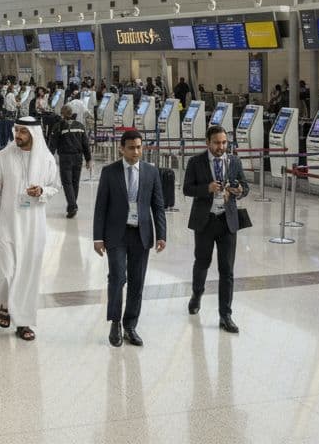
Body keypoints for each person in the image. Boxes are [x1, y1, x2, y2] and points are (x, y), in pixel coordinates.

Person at [0, 117, 59, 341]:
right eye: (17, 131)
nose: (18, 135)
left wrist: (42, 191)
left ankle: (23, 321)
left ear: (33, 134)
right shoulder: (3, 156)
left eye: (23, 132)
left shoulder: (46, 159)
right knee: (6, 271)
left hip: (33, 225)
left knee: (27, 273)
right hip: (7, 222)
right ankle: (5, 305)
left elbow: (55, 186)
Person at [93, 129, 166, 348]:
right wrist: (98, 237)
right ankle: (115, 322)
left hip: (141, 233)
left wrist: (162, 234)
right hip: (116, 233)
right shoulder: (109, 172)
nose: (136, 152)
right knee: (117, 277)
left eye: (139, 147)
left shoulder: (151, 172)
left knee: (137, 281)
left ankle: (130, 325)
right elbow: (100, 207)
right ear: (121, 148)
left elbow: (158, 205)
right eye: (132, 147)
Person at [182, 125, 247, 334]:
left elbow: (245, 186)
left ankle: (225, 315)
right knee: (202, 262)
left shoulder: (234, 161)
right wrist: (206, 189)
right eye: (217, 143)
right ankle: (197, 293)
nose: (221, 147)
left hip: (227, 221)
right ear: (208, 143)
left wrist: (238, 191)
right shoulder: (196, 162)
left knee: (227, 270)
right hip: (205, 220)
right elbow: (187, 188)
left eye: (224, 143)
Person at [53, 109, 92, 218]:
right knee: (75, 182)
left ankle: (72, 205)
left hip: (65, 157)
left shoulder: (59, 126)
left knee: (67, 182)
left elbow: (53, 143)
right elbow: (85, 143)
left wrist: (49, 158)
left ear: (62, 114)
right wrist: (88, 159)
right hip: (78, 157)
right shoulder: (80, 126)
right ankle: (72, 205)